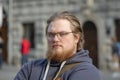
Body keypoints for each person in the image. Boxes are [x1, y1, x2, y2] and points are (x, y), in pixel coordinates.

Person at [14, 11, 101, 80]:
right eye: (51, 34)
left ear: (76, 38)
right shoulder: (30, 68)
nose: (55, 39)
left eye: (62, 34)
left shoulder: (86, 72)